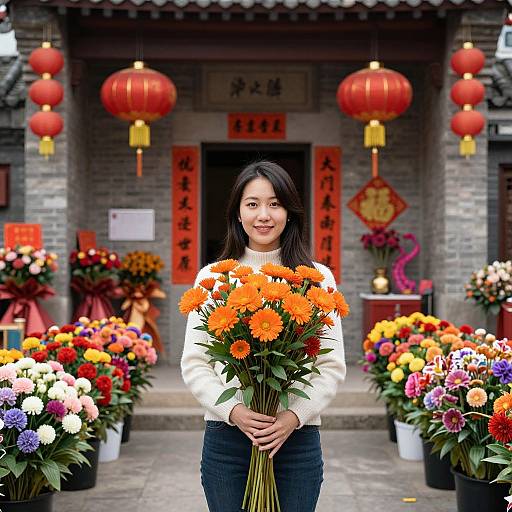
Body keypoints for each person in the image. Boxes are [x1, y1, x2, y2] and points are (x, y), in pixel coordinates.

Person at [181, 160, 346, 512]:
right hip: (228, 438)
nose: (264, 215)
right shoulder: (214, 279)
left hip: (296, 439)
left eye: (275, 203)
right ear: (237, 214)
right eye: (252, 204)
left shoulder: (315, 279)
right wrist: (235, 411)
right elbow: (195, 363)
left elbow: (330, 365)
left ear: (290, 211)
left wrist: (292, 417)